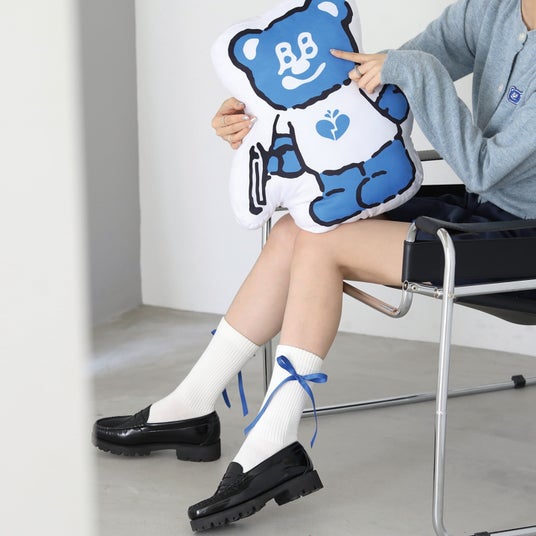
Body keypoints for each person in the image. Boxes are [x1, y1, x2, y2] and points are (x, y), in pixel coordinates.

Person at [92, 0, 536, 531]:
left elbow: (483, 167)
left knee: (324, 241)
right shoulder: (493, 10)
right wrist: (262, 112)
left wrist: (414, 71)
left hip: (522, 240)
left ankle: (274, 443)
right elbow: (371, 77)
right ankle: (192, 405)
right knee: (296, 227)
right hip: (480, 213)